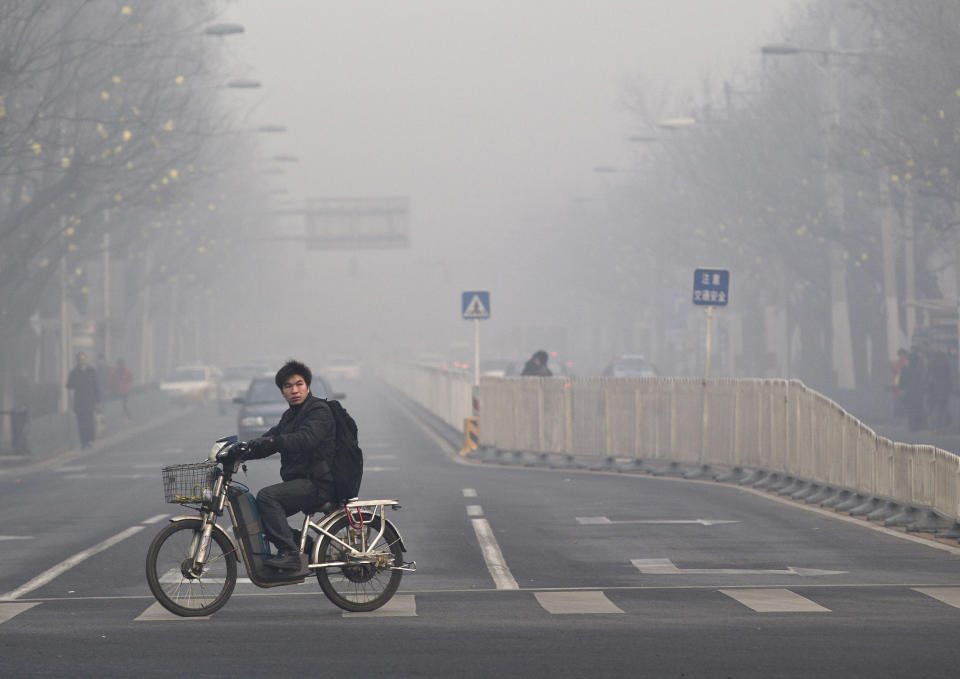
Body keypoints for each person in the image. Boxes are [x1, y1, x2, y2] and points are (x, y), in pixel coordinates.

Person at [241, 360, 335, 570]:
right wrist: (242, 450)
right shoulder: (291, 415)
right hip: (301, 481)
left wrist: (274, 442)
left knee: (267, 496)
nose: (294, 390)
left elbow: (305, 439)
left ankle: (291, 553)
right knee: (257, 515)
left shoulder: (319, 410)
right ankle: (306, 546)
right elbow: (270, 439)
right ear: (282, 392)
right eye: (288, 386)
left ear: (308, 386)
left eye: (299, 384)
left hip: (318, 482)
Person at [66, 351, 100, 448]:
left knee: (89, 421)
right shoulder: (74, 372)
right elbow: (69, 385)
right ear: (77, 361)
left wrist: (98, 400)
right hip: (79, 402)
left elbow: (96, 386)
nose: (82, 361)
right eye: (80, 360)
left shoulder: (91, 371)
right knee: (81, 423)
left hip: (89, 401)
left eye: (83, 359)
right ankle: (84, 442)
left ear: (86, 360)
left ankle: (90, 440)